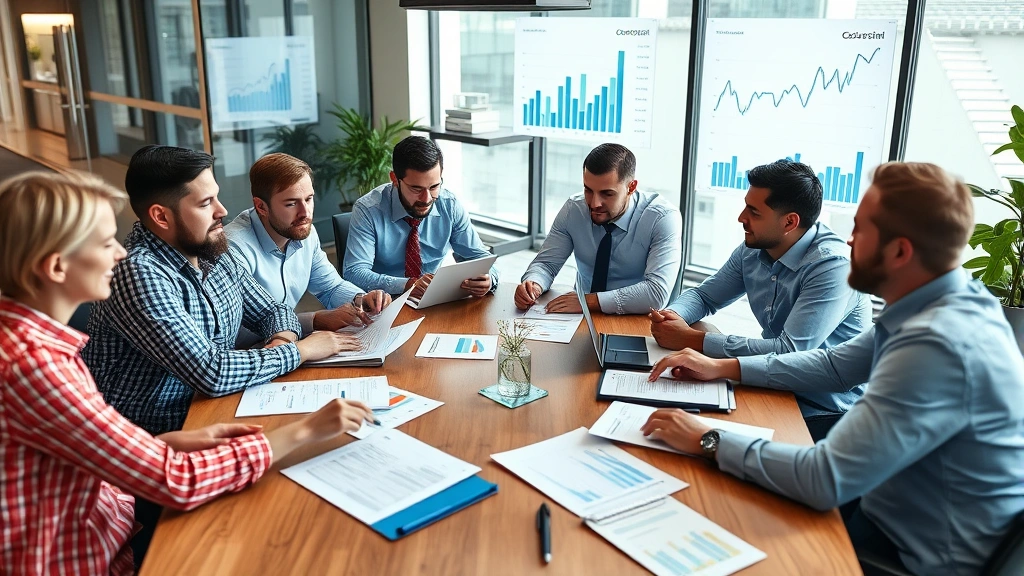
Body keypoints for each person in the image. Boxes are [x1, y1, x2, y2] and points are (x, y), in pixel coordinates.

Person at [642, 162, 1024, 576]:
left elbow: (823, 480)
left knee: (713, 516)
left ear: (899, 252)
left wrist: (708, 439)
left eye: (861, 229)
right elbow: (835, 365)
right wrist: (723, 367)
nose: (849, 240)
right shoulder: (944, 303)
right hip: (884, 503)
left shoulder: (936, 344)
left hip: (909, 555)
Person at [0, 170, 375, 574]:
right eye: (106, 243)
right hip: (90, 554)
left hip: (116, 512)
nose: (119, 254)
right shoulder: (34, 365)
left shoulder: (33, 345)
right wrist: (304, 431)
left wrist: (162, 445)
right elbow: (175, 479)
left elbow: (73, 453)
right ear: (57, 267)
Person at [82, 145, 359, 437]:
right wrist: (300, 350)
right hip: (154, 433)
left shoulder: (209, 246)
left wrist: (281, 343)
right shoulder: (138, 273)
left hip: (217, 404)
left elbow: (273, 311)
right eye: (206, 203)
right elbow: (211, 372)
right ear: (162, 217)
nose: (222, 211)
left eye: (216, 196)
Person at [652, 159, 871, 438]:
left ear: (790, 222)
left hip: (823, 411)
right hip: (767, 382)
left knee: (700, 438)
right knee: (670, 415)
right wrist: (673, 316)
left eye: (754, 212)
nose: (741, 217)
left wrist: (693, 340)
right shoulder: (754, 248)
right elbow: (705, 296)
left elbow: (789, 352)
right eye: (746, 206)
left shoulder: (833, 267)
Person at [226, 153, 392, 347]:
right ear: (261, 206)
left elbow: (330, 287)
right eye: (291, 203)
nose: (305, 213)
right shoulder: (233, 249)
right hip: (250, 354)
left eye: (309, 199)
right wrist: (314, 320)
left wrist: (361, 300)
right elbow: (239, 330)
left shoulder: (304, 232)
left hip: (287, 344)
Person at [515, 143, 682, 315]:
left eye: (607, 194)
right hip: (579, 314)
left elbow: (656, 293)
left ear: (631, 187)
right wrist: (534, 284)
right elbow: (546, 264)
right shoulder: (574, 209)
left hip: (638, 318)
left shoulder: (661, 218)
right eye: (588, 190)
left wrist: (588, 301)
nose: (594, 203)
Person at [344, 135, 498, 298]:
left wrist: (489, 279)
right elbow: (354, 272)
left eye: (434, 186)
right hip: (383, 301)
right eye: (416, 189)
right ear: (395, 179)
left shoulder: (449, 205)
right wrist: (408, 285)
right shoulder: (367, 210)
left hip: (432, 299)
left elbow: (481, 257)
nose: (426, 199)